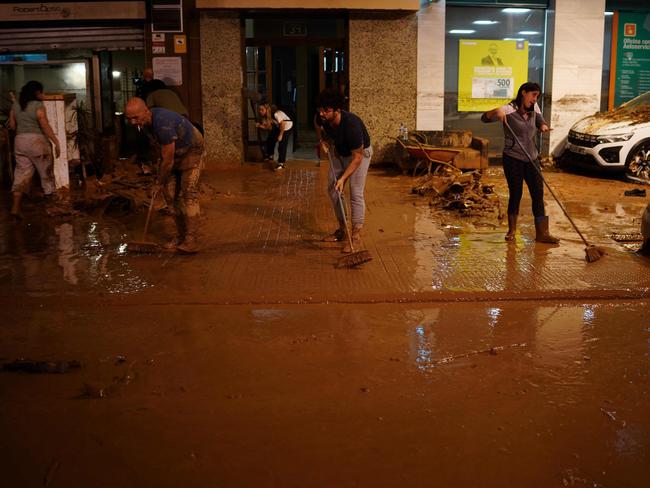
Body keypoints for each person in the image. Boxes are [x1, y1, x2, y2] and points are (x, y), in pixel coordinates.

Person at [481, 81, 559, 244]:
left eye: (537, 96)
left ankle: (542, 233)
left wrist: (543, 125)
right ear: (523, 93)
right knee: (516, 194)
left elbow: (539, 119)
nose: (535, 99)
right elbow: (484, 118)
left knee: (538, 194)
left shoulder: (534, 108)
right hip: (513, 158)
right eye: (533, 95)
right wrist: (496, 111)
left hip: (531, 158)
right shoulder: (508, 109)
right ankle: (512, 231)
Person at [124, 97, 204, 254]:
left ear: (146, 111)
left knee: (188, 192)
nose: (133, 122)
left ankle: (191, 239)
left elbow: (168, 160)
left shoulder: (163, 123)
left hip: (191, 151)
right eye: (129, 119)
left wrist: (158, 182)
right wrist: (159, 178)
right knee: (170, 194)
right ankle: (181, 236)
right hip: (174, 153)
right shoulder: (145, 123)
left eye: (136, 118)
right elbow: (160, 151)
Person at [316, 88, 372, 253]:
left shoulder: (351, 125)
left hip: (360, 155)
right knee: (333, 190)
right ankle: (342, 230)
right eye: (320, 109)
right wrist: (323, 140)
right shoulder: (322, 118)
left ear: (337, 110)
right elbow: (317, 125)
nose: (322, 113)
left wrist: (343, 179)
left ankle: (356, 236)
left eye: (326, 110)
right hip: (340, 151)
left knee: (355, 192)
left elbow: (357, 158)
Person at [7, 80, 60, 220]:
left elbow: (12, 125)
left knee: (21, 175)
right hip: (37, 142)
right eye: (41, 92)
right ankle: (52, 209)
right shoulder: (38, 105)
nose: (43, 94)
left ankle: (15, 208)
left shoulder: (16, 105)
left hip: (19, 141)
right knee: (46, 174)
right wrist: (56, 141)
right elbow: (44, 125)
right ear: (37, 93)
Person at [255, 103, 293, 171]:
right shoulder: (267, 116)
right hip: (280, 127)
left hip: (287, 126)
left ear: (267, 109)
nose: (260, 111)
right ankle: (270, 156)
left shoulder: (276, 114)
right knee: (270, 139)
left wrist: (281, 135)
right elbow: (268, 127)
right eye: (259, 110)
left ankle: (281, 163)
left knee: (282, 144)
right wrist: (259, 125)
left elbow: (283, 124)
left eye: (262, 110)